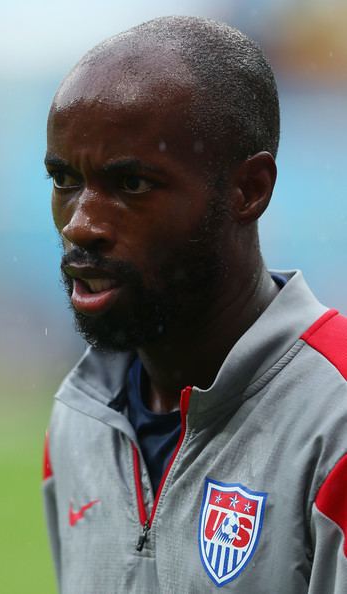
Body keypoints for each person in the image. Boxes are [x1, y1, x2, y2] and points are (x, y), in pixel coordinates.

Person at [42, 16, 347, 593]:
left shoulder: (334, 420)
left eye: (130, 185)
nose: (82, 224)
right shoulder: (79, 420)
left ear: (248, 190)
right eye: (64, 180)